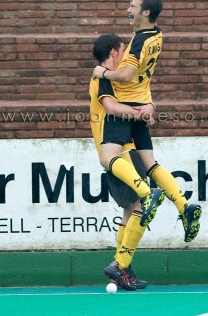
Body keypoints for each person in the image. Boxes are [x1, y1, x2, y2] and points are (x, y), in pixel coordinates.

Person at [92, 0, 202, 249]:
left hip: (128, 103)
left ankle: (146, 192)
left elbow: (126, 75)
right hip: (144, 103)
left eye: (132, 6)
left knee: (108, 158)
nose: (128, 10)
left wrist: (102, 73)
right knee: (150, 164)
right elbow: (145, 17)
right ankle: (183, 205)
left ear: (146, 12)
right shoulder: (157, 34)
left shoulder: (138, 42)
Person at [89, 33, 159, 290]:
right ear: (114, 53)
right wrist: (141, 114)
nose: (129, 57)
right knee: (141, 203)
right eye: (124, 51)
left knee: (130, 209)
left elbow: (137, 101)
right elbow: (112, 108)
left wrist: (148, 107)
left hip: (125, 148)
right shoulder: (101, 77)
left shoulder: (116, 80)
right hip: (116, 153)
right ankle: (120, 265)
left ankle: (123, 268)